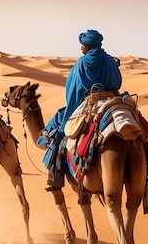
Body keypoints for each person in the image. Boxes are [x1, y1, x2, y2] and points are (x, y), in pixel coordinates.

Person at [40, 29, 122, 188]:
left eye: (82, 44)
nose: (81, 48)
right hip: (112, 100)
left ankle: (54, 175)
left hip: (88, 104)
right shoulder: (110, 61)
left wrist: (70, 112)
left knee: (61, 127)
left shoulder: (81, 63)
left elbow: (72, 92)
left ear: (89, 46)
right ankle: (146, 186)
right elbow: (118, 82)